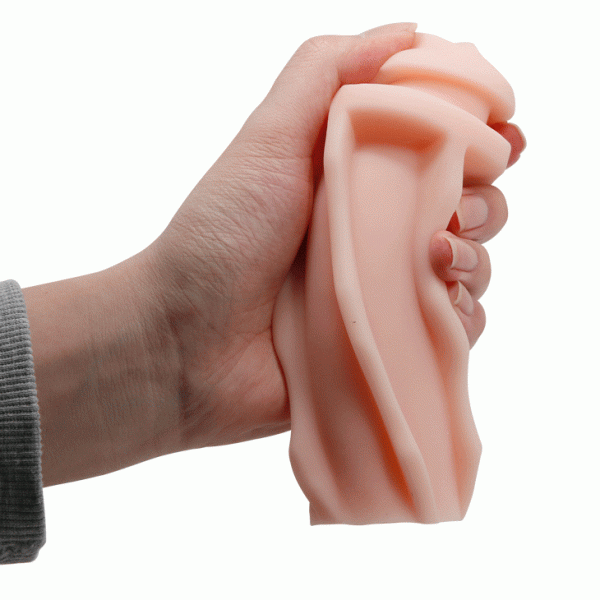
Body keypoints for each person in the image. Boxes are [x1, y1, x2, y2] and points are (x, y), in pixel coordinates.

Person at [0, 23, 526, 564]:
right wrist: (168, 340)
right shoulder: (368, 127)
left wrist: (168, 344)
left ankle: (397, 483)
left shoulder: (376, 131)